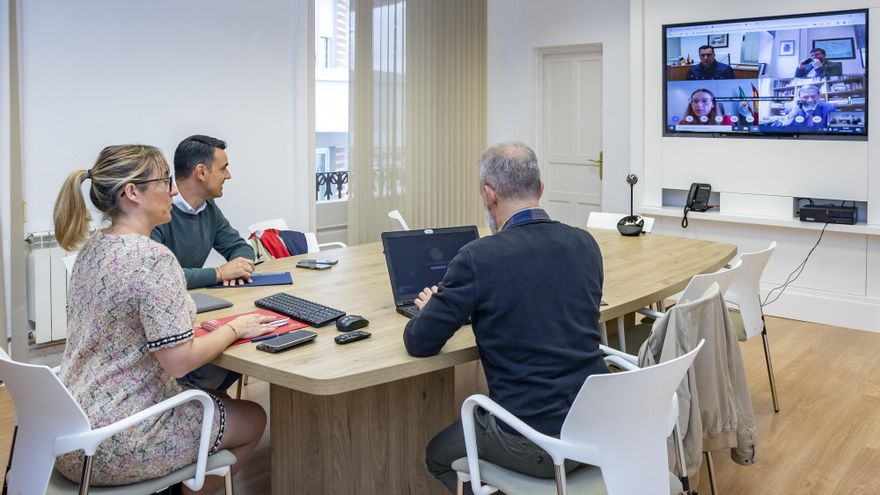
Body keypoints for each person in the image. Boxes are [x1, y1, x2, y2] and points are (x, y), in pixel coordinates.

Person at [53, 145, 274, 493]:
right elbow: (179, 361)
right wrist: (235, 328)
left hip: (68, 427)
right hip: (116, 439)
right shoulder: (153, 258)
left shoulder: (93, 247)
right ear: (132, 193)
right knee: (254, 417)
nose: (173, 190)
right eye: (165, 181)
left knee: (223, 401)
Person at [403, 142, 607, 493]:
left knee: (438, 454)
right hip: (598, 427)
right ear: (540, 189)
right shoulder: (584, 243)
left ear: (488, 194)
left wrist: (429, 310)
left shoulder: (478, 257)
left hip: (534, 444)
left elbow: (420, 343)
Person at [150, 134, 255, 290]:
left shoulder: (208, 206)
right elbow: (159, 275)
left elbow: (240, 247)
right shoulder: (155, 209)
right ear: (201, 173)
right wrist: (219, 273)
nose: (228, 175)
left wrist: (239, 269)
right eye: (223, 168)